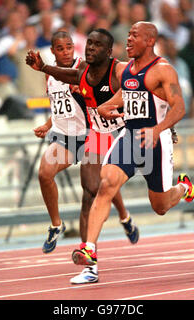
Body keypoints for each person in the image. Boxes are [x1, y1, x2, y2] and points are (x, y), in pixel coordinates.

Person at [68, 22, 194, 283]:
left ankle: (184, 188)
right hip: (130, 137)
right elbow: (125, 95)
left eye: (134, 36)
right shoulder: (127, 69)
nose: (128, 40)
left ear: (150, 41)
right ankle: (89, 253)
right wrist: (106, 106)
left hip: (155, 142)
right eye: (127, 35)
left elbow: (179, 108)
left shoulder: (163, 71)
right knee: (106, 184)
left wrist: (158, 129)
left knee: (159, 206)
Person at [26, 29, 140, 284]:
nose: (67, 51)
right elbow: (60, 106)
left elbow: (132, 94)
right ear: (53, 50)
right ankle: (77, 247)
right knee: (83, 188)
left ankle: (124, 216)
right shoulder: (54, 76)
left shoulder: (93, 70)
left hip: (106, 132)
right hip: (78, 137)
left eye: (70, 47)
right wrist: (48, 124)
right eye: (61, 48)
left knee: (103, 187)